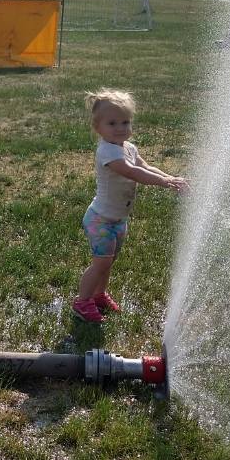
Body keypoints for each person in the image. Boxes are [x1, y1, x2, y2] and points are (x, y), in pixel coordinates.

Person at [72, 88, 189, 324]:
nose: (120, 128)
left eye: (125, 122)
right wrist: (165, 183)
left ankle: (99, 296)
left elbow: (145, 167)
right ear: (98, 127)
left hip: (118, 220)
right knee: (100, 262)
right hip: (100, 219)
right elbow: (133, 172)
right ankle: (82, 302)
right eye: (112, 123)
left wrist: (169, 177)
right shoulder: (107, 151)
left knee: (109, 261)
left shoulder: (129, 148)